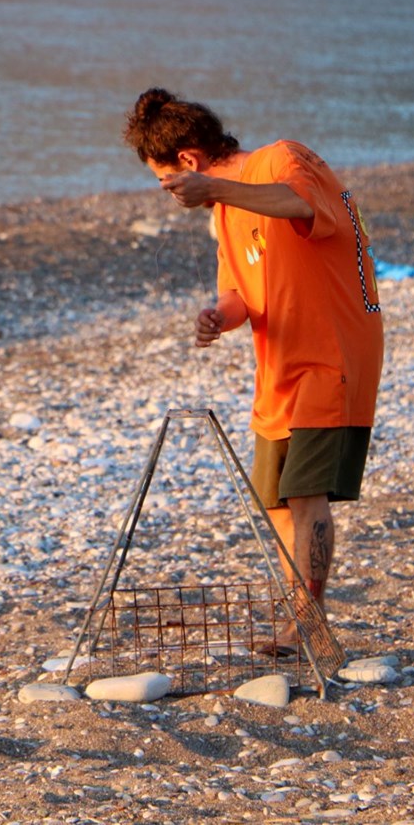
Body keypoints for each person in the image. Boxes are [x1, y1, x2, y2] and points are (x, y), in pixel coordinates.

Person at [122, 88, 384, 615]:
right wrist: (220, 316)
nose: (168, 192)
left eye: (164, 179)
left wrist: (214, 187)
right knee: (277, 502)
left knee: (307, 493)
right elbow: (238, 291)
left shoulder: (281, 158)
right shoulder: (223, 212)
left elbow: (302, 205)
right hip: (278, 366)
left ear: (188, 162)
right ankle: (299, 615)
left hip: (331, 352)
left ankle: (307, 623)